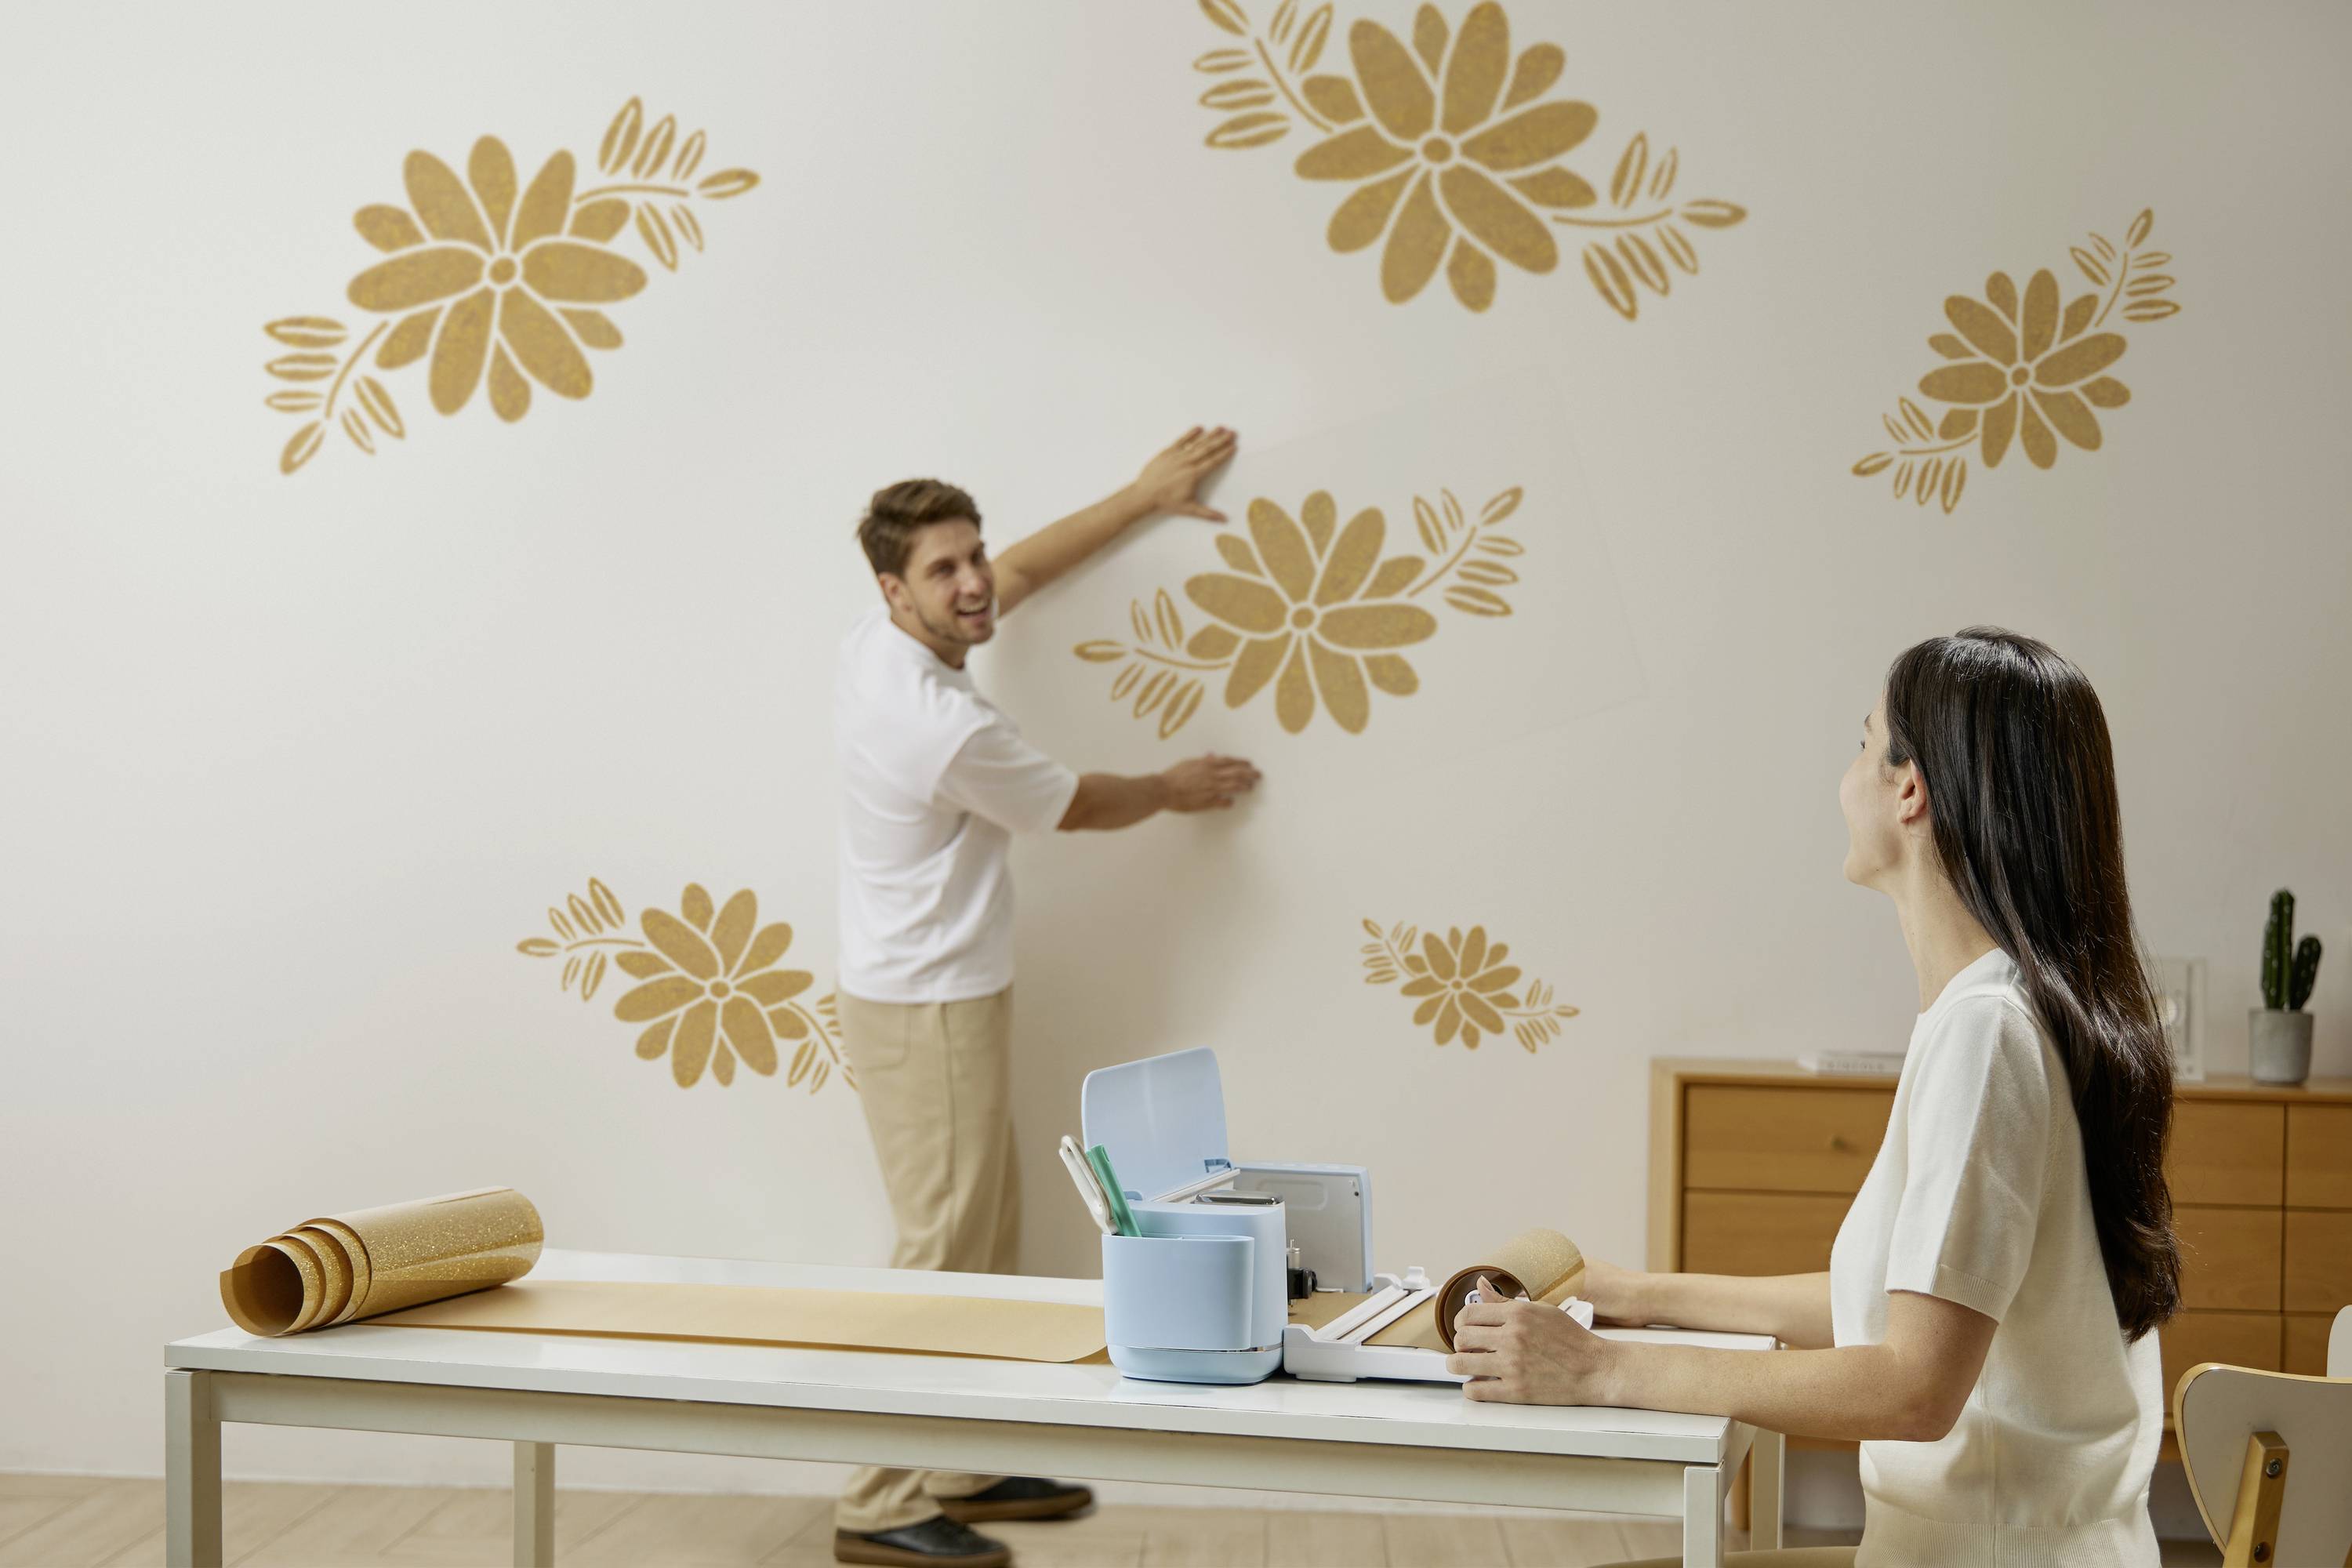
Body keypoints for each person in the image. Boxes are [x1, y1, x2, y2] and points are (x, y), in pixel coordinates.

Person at [1452, 628, 2180, 1568]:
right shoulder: (2010, 1011)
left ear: (1910, 789)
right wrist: (1634, 1292)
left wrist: (1600, 1367)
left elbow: (1915, 1384)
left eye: (1863, 741)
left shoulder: (1987, 1032)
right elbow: (1899, 1308)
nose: (1849, 773)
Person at [831, 427, 1262, 1568]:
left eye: (971, 555)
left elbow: (1024, 573)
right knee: (940, 1247)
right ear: (894, 587)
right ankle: (878, 1499)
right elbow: (1074, 804)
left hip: (933, 990)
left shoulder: (888, 644)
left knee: (981, 1234)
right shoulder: (941, 724)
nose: (975, 582)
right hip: (927, 1005)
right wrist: (1174, 787)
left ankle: (956, 1463)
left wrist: (1141, 497)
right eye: (944, 569)